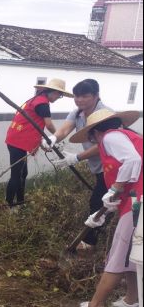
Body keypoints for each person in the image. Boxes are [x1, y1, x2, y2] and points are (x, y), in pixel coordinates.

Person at [66, 109, 142, 307]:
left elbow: (133, 162)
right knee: (130, 252)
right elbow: (126, 181)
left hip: (139, 202)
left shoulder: (110, 137)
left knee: (119, 252)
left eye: (91, 138)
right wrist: (102, 213)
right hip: (134, 201)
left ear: (94, 133)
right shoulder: (126, 137)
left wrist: (115, 188)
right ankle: (131, 302)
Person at [48, 79, 112, 251]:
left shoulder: (105, 115)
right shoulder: (78, 113)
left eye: (85, 96)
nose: (79, 99)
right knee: (106, 200)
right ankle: (103, 234)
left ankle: (90, 243)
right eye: (77, 96)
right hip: (100, 168)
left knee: (98, 202)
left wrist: (77, 157)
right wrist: (52, 139)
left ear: (96, 96)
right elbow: (64, 129)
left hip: (113, 167)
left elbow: (103, 145)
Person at [4, 78, 72, 208]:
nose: (59, 97)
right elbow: (48, 124)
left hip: (17, 138)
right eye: (60, 95)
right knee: (16, 175)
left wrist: (41, 142)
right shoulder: (43, 104)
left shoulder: (35, 100)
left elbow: (35, 125)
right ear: (54, 92)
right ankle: (9, 205)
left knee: (23, 174)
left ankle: (20, 202)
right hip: (18, 141)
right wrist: (57, 136)